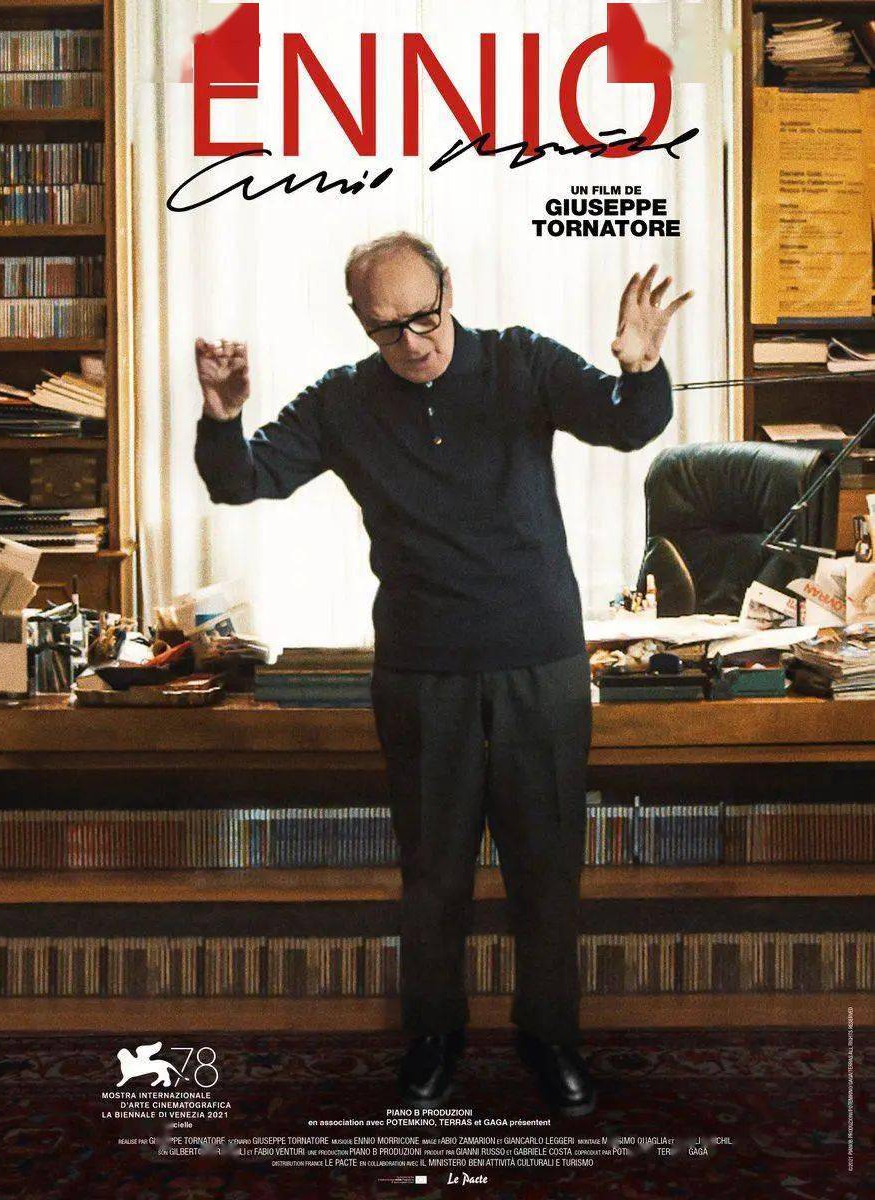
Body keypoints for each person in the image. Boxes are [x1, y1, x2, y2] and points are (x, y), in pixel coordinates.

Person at [193, 232, 691, 1117]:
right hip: (423, 670)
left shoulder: (521, 361)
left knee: (547, 871)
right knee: (432, 875)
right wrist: (223, 417)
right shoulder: (343, 399)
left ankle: (549, 1037)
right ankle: (435, 1038)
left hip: (539, 660)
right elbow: (244, 481)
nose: (413, 342)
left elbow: (626, 424)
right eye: (387, 329)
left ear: (449, 291)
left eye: (424, 317)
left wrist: (641, 366)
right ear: (361, 322)